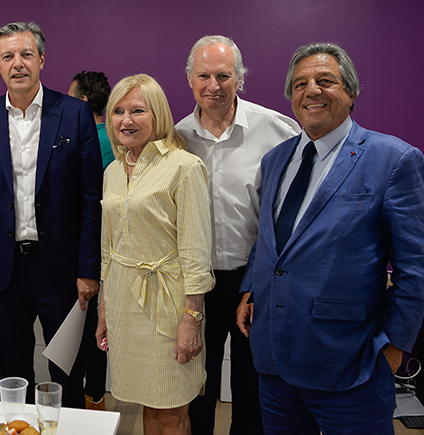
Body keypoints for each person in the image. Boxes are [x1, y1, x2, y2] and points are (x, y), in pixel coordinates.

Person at [236, 43, 424, 434]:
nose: (311, 90)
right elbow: (269, 239)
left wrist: (395, 344)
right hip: (275, 361)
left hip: (350, 363)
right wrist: (251, 289)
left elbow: (416, 266)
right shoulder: (275, 160)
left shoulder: (393, 159)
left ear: (351, 92)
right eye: (300, 84)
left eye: (325, 80)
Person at [0, 21, 102, 408]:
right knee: (14, 371)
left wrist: (89, 269)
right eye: (8, 56)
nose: (18, 63)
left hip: (61, 269)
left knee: (67, 372)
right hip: (4, 271)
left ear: (41, 59)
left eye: (26, 54)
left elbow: (92, 199)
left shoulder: (73, 113)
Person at [175, 36, 299, 435]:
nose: (213, 86)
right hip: (197, 284)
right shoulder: (175, 138)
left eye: (224, 76)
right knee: (197, 385)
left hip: (255, 281)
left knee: (253, 384)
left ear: (240, 79)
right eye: (204, 76)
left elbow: (292, 213)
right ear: (190, 79)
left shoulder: (278, 130)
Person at [96, 74, 214, 435]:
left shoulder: (184, 167)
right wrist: (104, 310)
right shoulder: (113, 171)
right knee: (146, 400)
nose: (126, 120)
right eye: (118, 111)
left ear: (158, 115)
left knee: (170, 409)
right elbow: (108, 249)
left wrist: (192, 319)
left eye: (137, 111)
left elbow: (195, 252)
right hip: (123, 302)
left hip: (169, 306)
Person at [67, 69, 112, 410]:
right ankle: (94, 393)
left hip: (85, 248)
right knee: (97, 324)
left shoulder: (84, 142)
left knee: (83, 329)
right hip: (110, 251)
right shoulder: (117, 139)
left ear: (82, 102)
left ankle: (84, 399)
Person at [69, 71, 114, 170]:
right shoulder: (98, 138)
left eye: (70, 98)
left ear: (82, 101)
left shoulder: (98, 144)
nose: (66, 104)